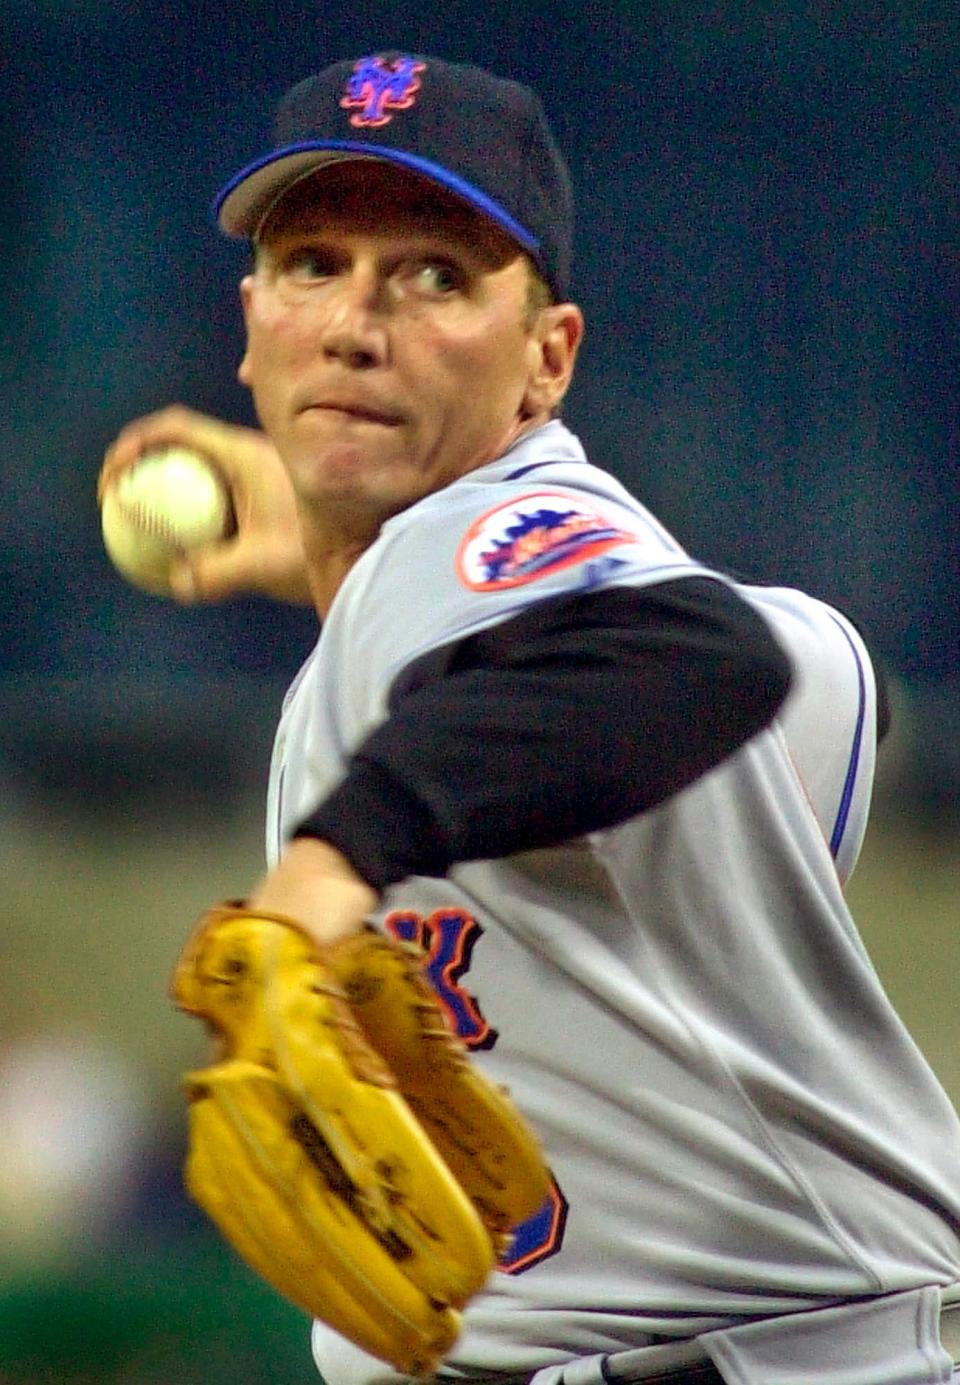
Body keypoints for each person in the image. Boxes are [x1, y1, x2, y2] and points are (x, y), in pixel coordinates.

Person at [101, 52, 960, 1385]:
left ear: (547, 359)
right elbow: (813, 664)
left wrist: (327, 868)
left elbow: (696, 655)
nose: (355, 324)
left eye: (437, 275)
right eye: (312, 262)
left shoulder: (472, 547)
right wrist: (320, 542)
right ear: (251, 318)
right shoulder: (466, 579)